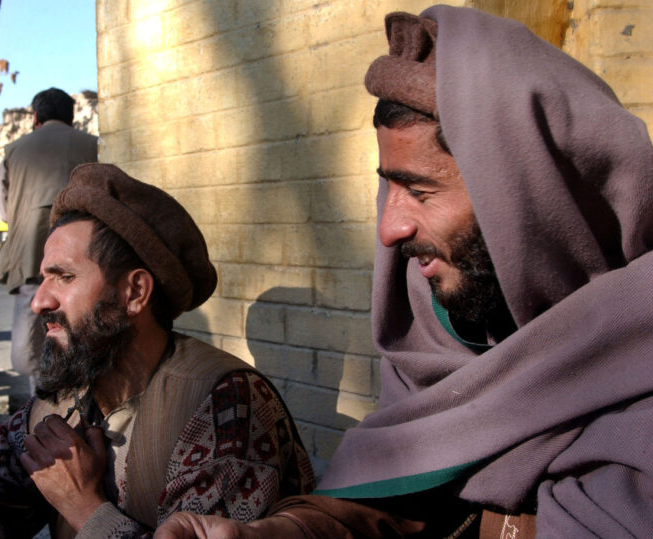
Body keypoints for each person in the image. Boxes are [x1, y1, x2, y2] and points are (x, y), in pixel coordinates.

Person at [155, 6, 653, 538]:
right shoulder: (438, 342)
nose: (389, 230)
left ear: (531, 198)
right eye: (387, 189)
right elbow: (403, 505)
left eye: (419, 191)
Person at [0, 164, 315, 537]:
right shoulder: (63, 403)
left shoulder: (225, 407)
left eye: (64, 277)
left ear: (134, 292)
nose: (39, 301)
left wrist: (84, 508)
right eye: (43, 279)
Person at [0, 87, 98, 394]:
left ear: (36, 118)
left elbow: (3, 211)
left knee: (34, 345)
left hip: (29, 257)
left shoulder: (14, 151)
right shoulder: (94, 146)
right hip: (86, 257)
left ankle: (39, 411)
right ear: (71, 116)